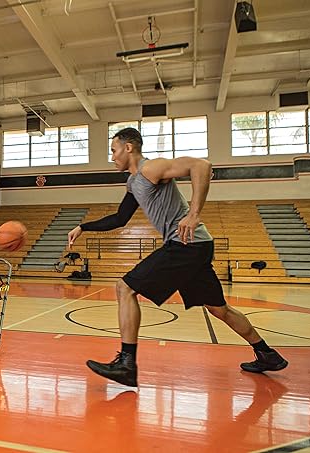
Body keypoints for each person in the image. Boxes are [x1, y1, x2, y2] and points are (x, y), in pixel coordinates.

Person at [67, 127, 288, 390]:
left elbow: (201, 166)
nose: (112, 157)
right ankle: (267, 354)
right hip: (197, 246)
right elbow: (120, 218)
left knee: (125, 288)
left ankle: (126, 364)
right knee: (219, 309)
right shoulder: (133, 183)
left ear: (128, 148)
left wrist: (193, 214)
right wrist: (83, 227)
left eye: (113, 151)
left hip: (186, 245)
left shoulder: (151, 168)